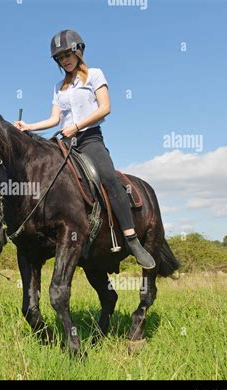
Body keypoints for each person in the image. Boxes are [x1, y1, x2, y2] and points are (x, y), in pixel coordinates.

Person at [13, 29, 155, 269]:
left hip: (89, 139)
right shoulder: (59, 86)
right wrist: (28, 127)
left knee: (109, 178)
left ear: (79, 51)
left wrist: (77, 126)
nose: (65, 60)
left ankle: (131, 238)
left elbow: (105, 108)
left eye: (68, 54)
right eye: (60, 58)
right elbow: (54, 120)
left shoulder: (95, 75)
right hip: (65, 141)